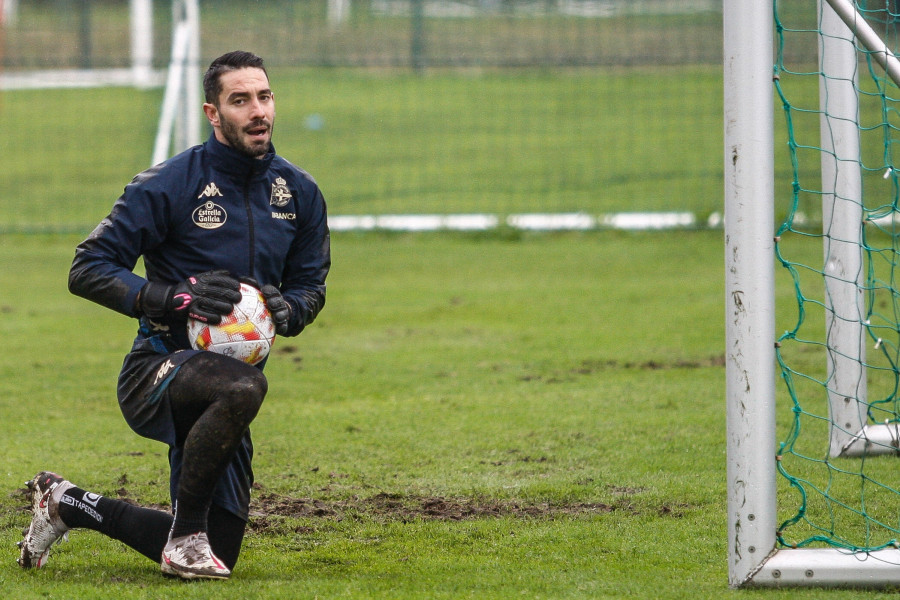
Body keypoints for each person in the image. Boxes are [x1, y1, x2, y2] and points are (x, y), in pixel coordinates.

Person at [17, 50, 330, 580]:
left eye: (264, 96)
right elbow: (88, 267)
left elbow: (309, 285)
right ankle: (185, 536)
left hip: (228, 388)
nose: (258, 111)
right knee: (242, 389)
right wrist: (172, 298)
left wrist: (291, 308)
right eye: (240, 100)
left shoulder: (298, 192)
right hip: (157, 369)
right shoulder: (169, 183)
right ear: (213, 113)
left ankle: (67, 502)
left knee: (222, 552)